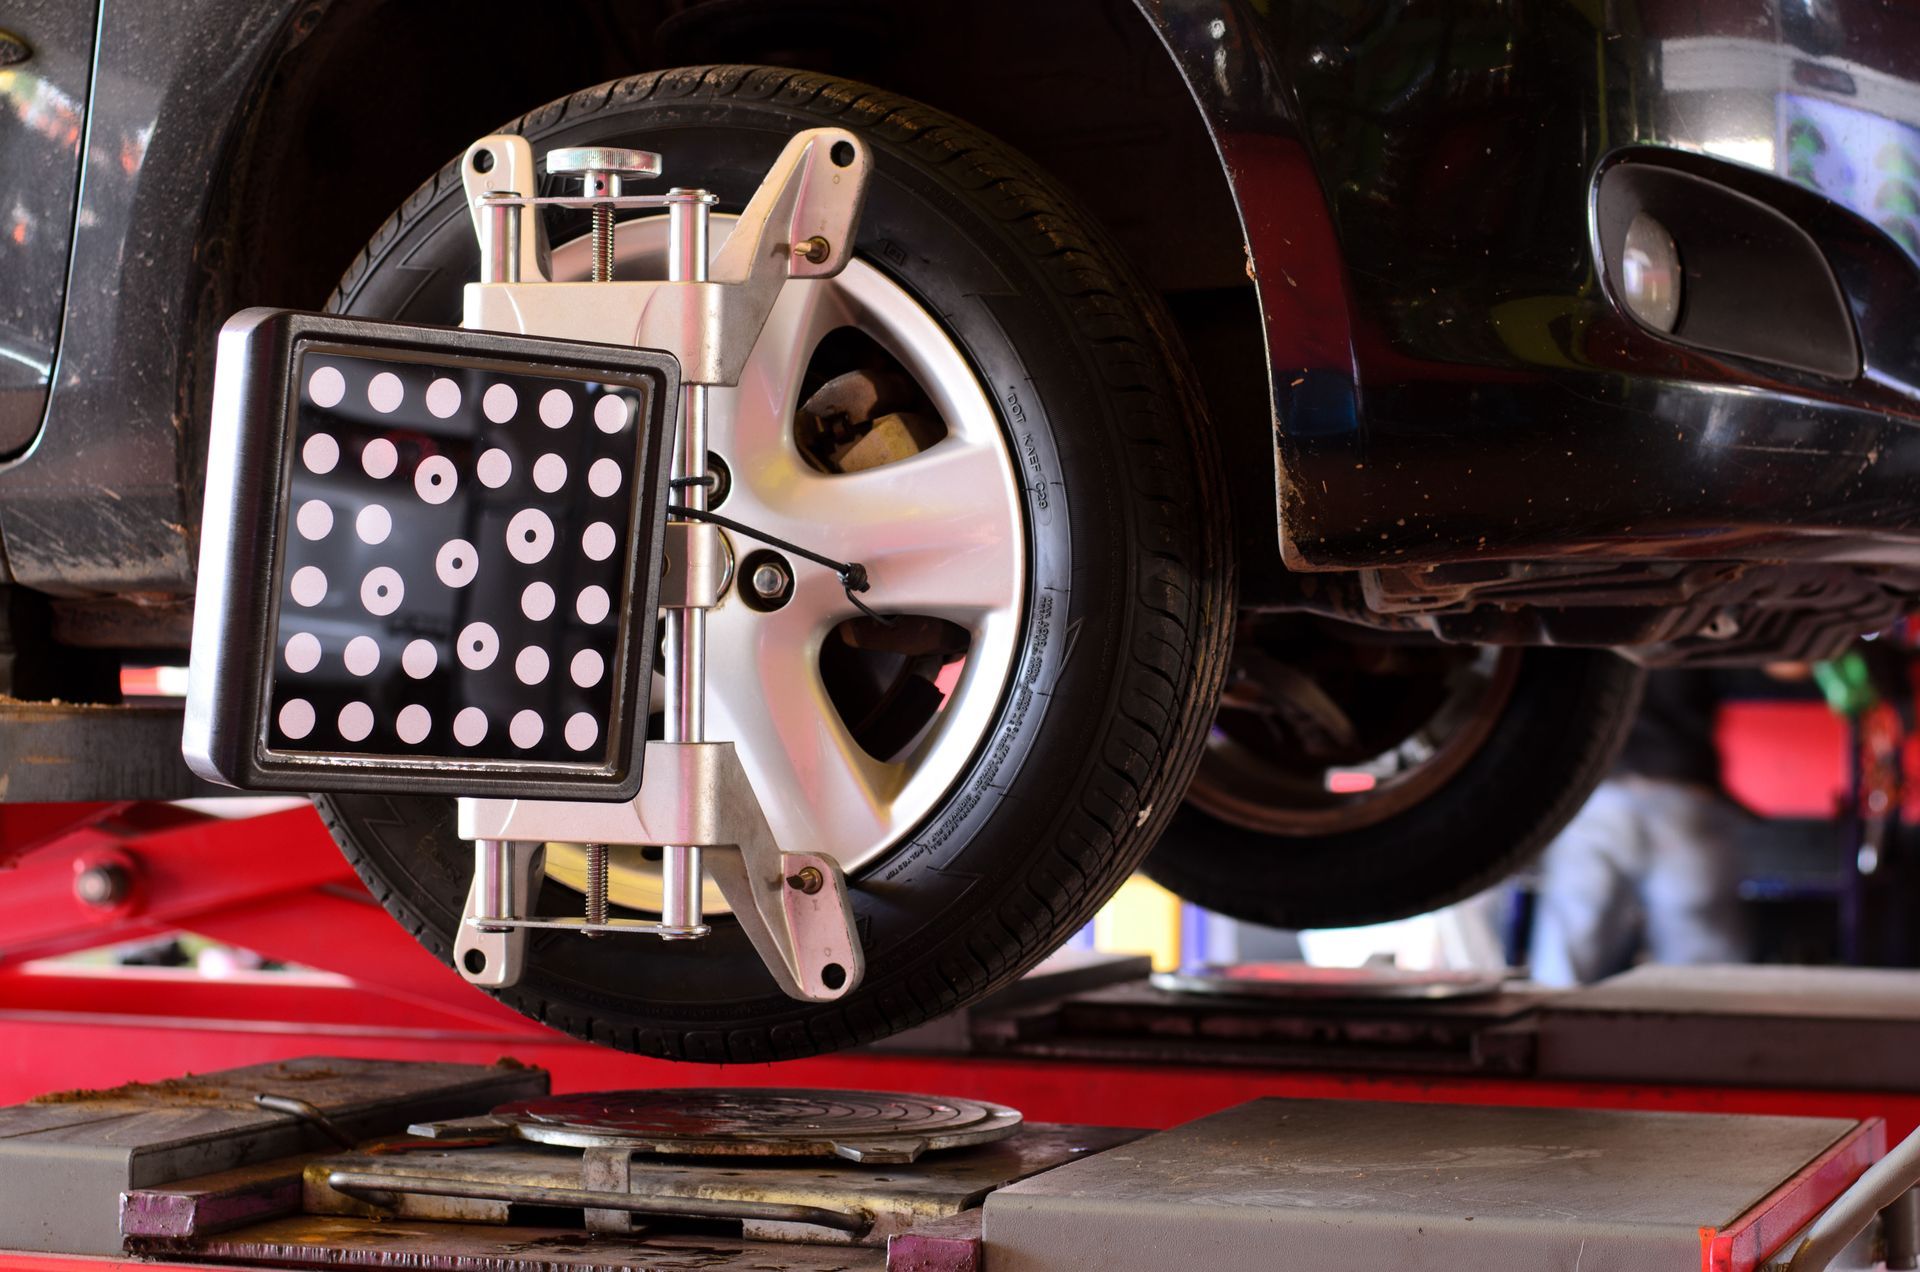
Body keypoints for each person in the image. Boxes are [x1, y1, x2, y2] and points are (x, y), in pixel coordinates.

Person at [1527, 669, 1751, 986]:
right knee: (1703, 974)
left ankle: (1547, 1017)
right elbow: (1789, 668)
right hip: (1682, 792)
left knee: (1564, 964)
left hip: (1596, 795)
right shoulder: (1695, 636)